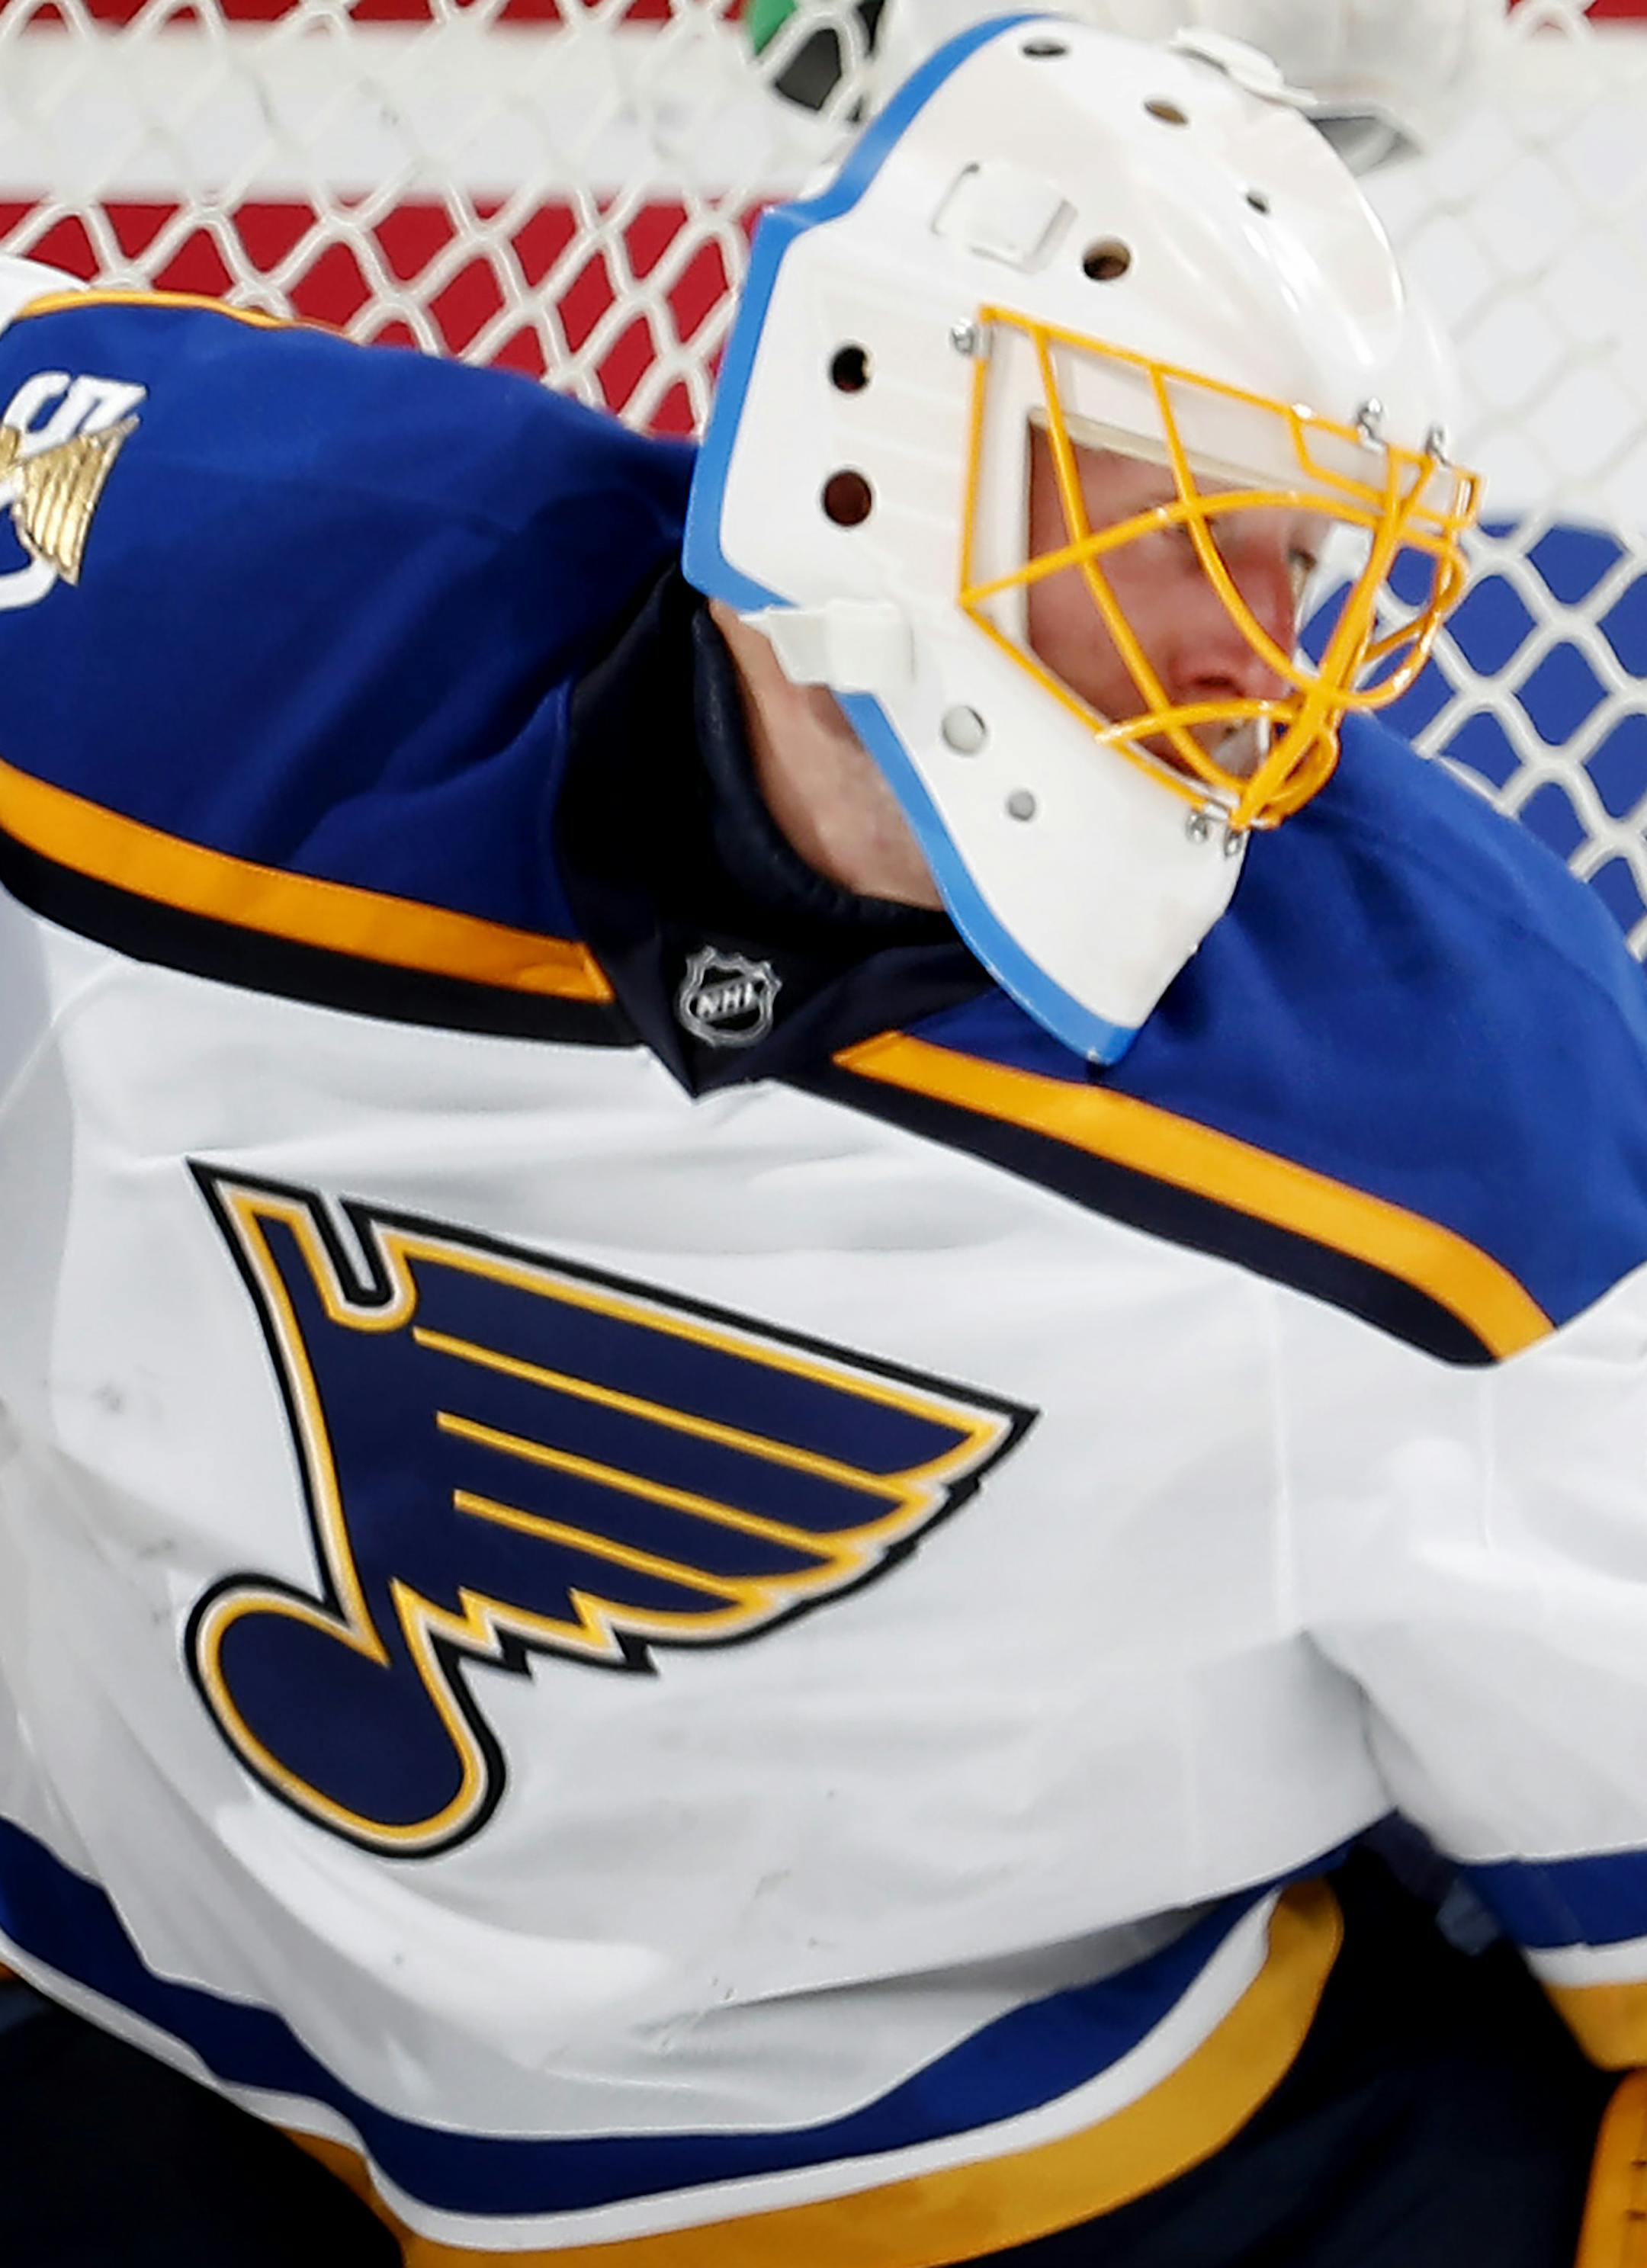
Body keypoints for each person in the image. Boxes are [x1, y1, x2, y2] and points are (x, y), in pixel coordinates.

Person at [0, 14, 1642, 2266]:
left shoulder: (1470, 1111)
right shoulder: (172, 609)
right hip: (138, 2030)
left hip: (1021, 2177)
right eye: (1200, 533)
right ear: (873, 457)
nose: (1278, 667)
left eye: (1317, 565)